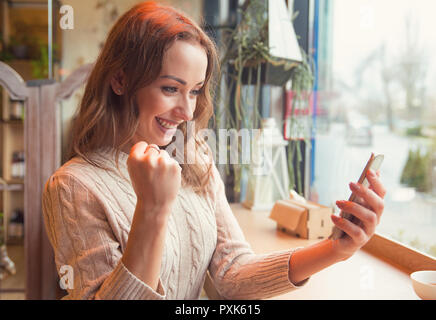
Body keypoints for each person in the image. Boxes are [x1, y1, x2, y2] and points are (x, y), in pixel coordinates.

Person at [42, 1, 386, 300]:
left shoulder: (193, 155)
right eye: (170, 88)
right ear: (119, 81)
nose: (187, 112)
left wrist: (335, 249)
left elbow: (231, 274)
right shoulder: (73, 186)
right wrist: (153, 209)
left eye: (194, 91)